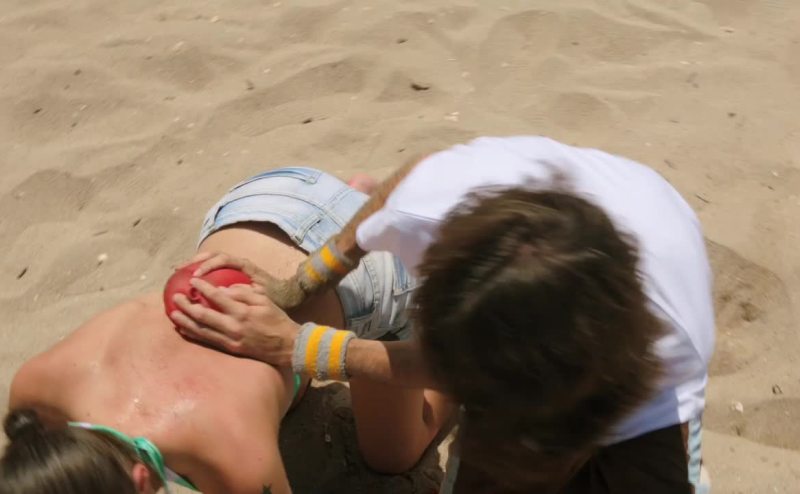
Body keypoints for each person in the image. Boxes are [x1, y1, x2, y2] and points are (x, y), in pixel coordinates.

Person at [172, 136, 715, 494]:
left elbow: (453, 370)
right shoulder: (431, 204)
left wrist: (303, 348)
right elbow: (405, 184)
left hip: (634, 377)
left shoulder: (667, 358)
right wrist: (305, 282)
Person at [2, 169, 452, 494]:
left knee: (392, 456)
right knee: (269, 386)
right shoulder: (34, 391)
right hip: (261, 202)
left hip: (364, 270)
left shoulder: (232, 458)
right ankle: (353, 199)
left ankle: (459, 352)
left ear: (142, 482)